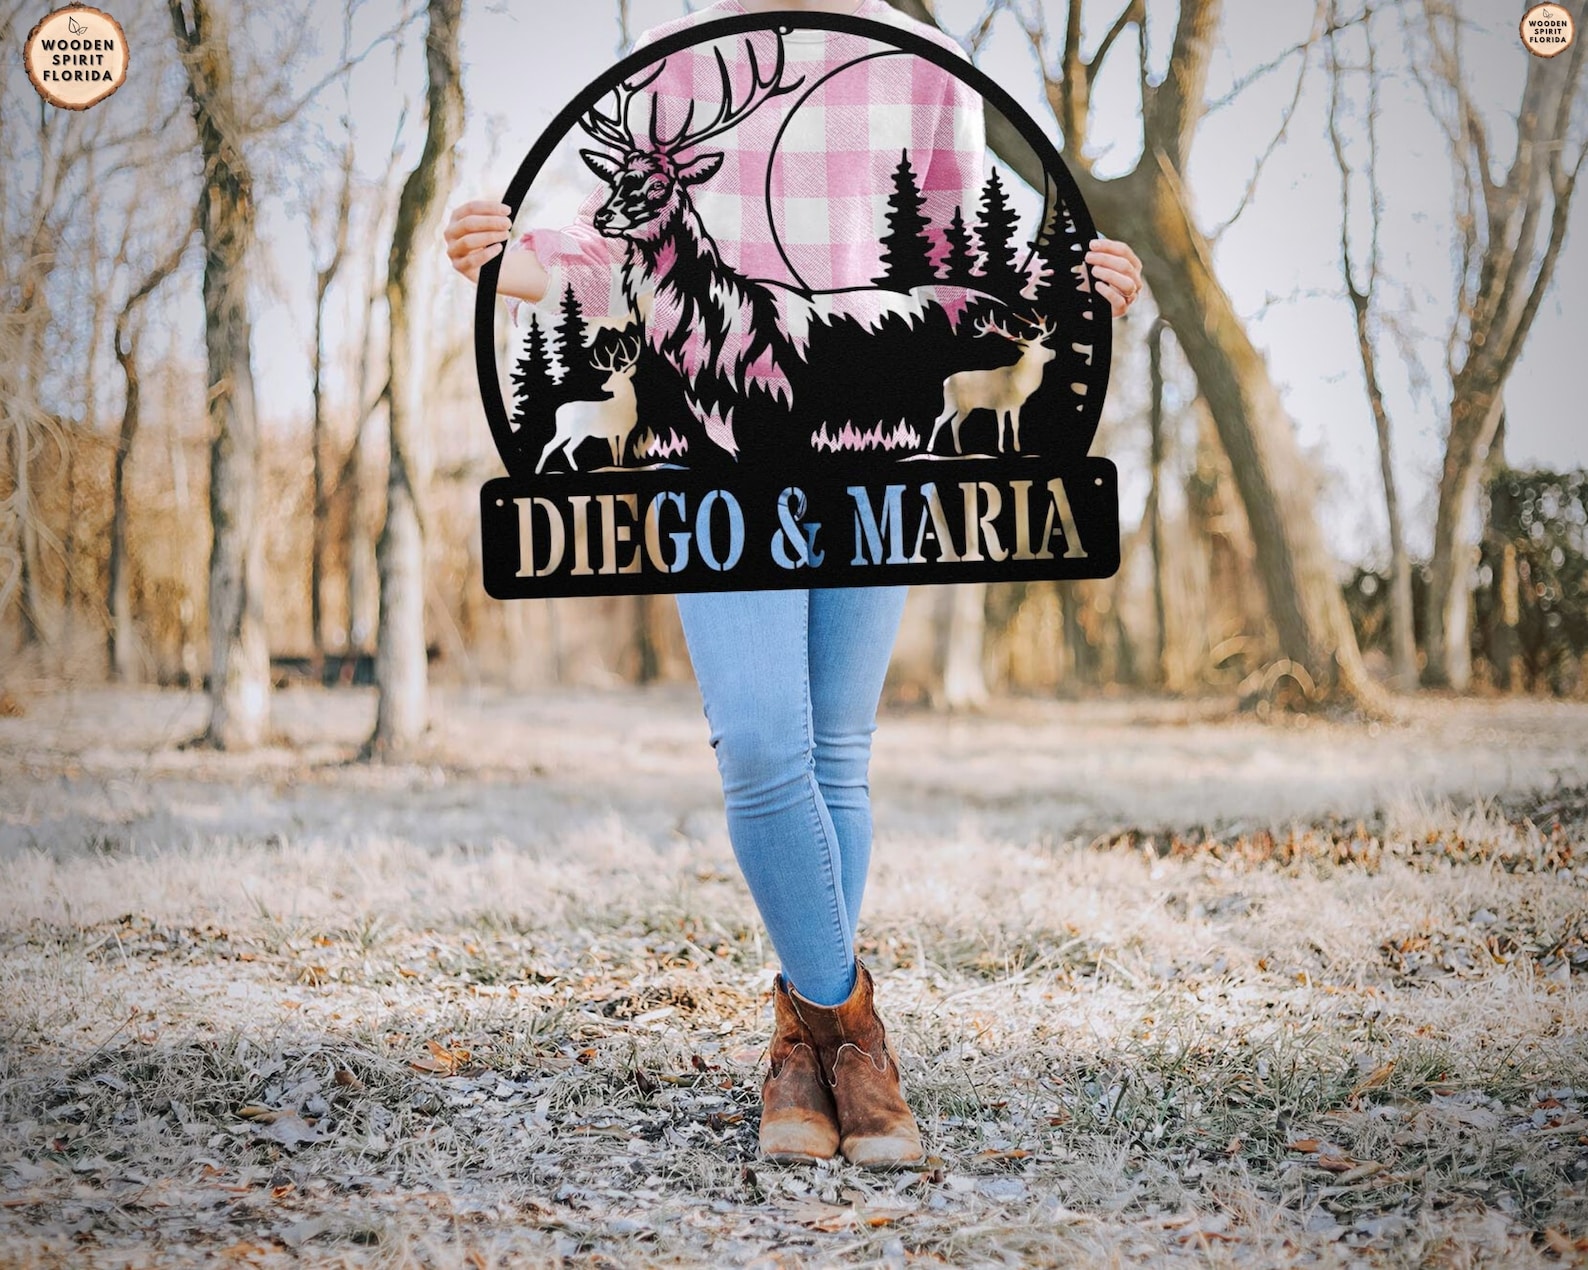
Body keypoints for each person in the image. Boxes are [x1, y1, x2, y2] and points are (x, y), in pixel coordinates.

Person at [444, 0, 1144, 1169]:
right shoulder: (676, 62)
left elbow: (966, 251)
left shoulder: (927, 66)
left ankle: (801, 1057)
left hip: (879, 453)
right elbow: (622, 256)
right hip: (711, 456)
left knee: (834, 754)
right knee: (764, 741)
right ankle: (854, 1034)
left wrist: (1077, 284)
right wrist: (506, 257)